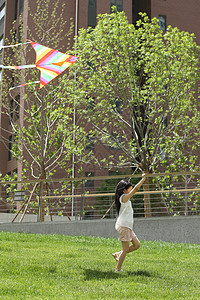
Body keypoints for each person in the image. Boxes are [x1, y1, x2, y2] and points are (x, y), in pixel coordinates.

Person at [112, 173, 146, 272]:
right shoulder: (124, 198)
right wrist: (143, 179)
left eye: (131, 189)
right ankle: (118, 269)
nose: (131, 190)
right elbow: (135, 189)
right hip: (123, 226)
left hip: (127, 227)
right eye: (129, 189)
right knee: (125, 249)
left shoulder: (125, 198)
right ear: (124, 190)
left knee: (137, 245)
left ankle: (118, 254)